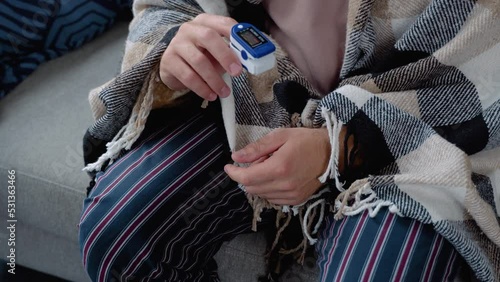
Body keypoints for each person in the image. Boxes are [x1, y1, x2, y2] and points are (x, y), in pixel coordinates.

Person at [78, 0, 500, 281]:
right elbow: (169, 7)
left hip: (420, 123)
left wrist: (341, 144)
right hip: (252, 94)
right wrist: (176, 46)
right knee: (122, 232)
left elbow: (485, 55)